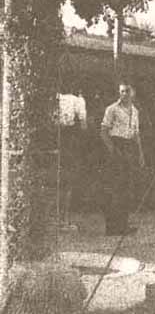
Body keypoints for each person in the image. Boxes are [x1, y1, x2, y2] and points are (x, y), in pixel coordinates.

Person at [100, 81, 141, 236]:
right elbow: (103, 131)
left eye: (127, 91)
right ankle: (111, 227)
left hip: (129, 147)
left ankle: (123, 225)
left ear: (133, 93)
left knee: (126, 188)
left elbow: (136, 134)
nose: (124, 94)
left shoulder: (135, 111)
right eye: (122, 91)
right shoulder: (112, 109)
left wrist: (140, 153)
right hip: (117, 145)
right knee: (114, 188)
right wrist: (113, 150)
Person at [57, 85, 87, 228]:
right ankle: (64, 219)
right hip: (69, 140)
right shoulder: (77, 100)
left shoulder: (55, 98)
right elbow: (83, 124)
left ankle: (58, 219)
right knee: (68, 181)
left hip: (53, 139)